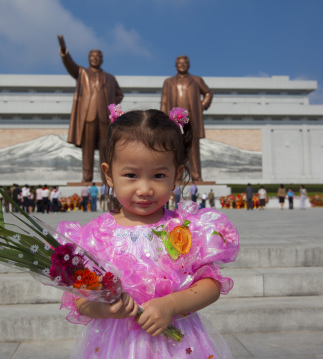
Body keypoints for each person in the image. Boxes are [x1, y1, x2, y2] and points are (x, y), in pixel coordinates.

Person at [55, 106, 239, 358]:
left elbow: (211, 285)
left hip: (178, 345)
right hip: (115, 345)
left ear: (177, 175)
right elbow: (80, 300)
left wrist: (171, 305)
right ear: (109, 174)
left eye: (158, 175)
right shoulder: (95, 236)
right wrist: (106, 310)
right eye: (131, 175)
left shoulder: (187, 229)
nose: (144, 189)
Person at [58, 35, 124, 183]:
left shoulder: (110, 78)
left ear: (102, 59)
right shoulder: (82, 73)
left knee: (105, 148)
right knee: (86, 150)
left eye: (97, 56)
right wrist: (64, 52)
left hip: (104, 117)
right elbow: (71, 66)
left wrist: (111, 105)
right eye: (92, 56)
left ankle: (105, 178)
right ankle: (86, 178)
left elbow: (120, 94)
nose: (95, 58)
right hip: (87, 115)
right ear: (88, 59)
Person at [161, 55, 213, 181]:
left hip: (192, 119)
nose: (182, 66)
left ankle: (196, 176)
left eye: (184, 64)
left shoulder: (196, 80)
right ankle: (178, 176)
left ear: (188, 65)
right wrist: (163, 118)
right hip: (174, 120)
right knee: (176, 147)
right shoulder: (168, 82)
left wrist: (202, 105)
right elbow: (164, 100)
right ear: (175, 66)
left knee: (193, 148)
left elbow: (208, 93)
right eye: (180, 64)